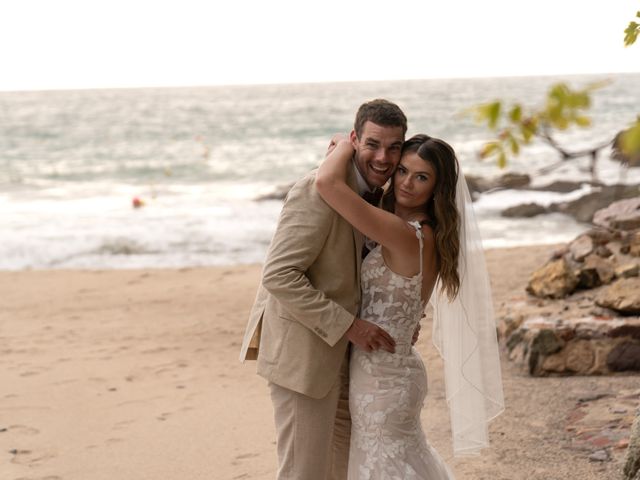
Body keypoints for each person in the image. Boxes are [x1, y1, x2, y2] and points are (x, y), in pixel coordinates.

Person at [316, 133, 505, 479]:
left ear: (437, 188)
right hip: (393, 369)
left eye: (422, 177)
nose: (406, 183)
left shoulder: (405, 233)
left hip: (382, 382)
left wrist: (346, 145)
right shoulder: (425, 232)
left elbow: (327, 183)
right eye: (402, 171)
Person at [239, 99, 408, 480]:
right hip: (305, 356)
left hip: (352, 359)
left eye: (394, 147)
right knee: (304, 472)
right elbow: (280, 275)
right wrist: (351, 326)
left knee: (343, 469)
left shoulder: (381, 195)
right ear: (354, 140)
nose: (383, 157)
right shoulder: (317, 191)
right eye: (373, 145)